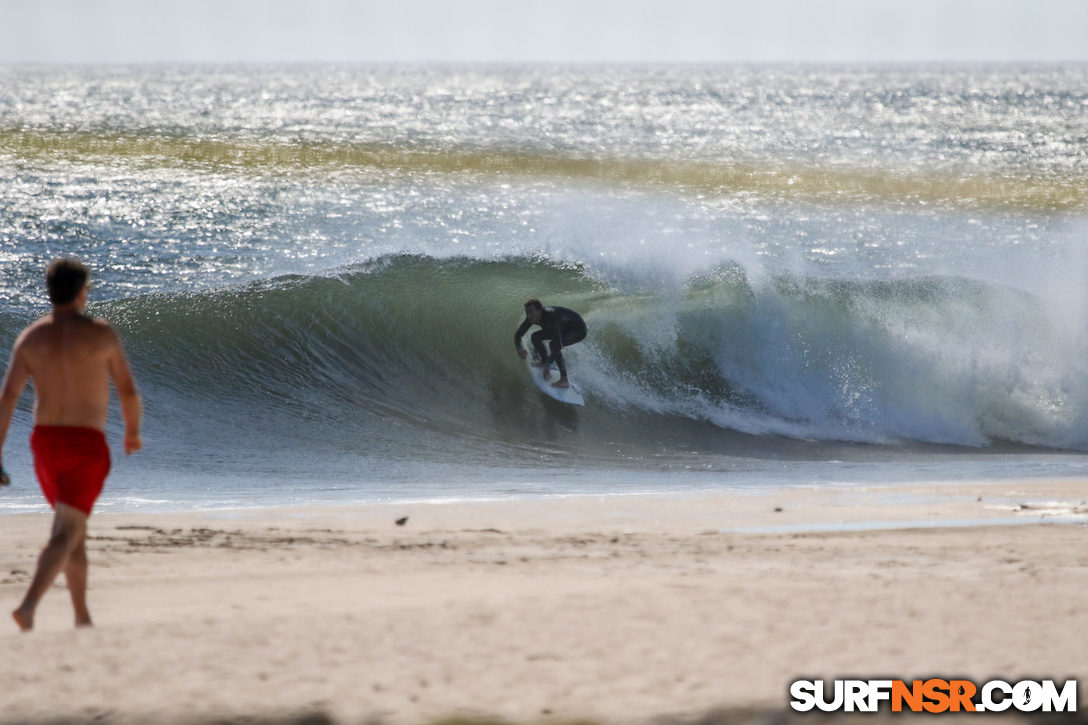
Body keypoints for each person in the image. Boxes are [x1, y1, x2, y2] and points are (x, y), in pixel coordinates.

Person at [0, 258, 143, 632]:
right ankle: (29, 605)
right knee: (66, 532)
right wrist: (132, 432)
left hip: (45, 445)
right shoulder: (101, 334)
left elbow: (8, 399)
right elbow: (127, 390)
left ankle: (82, 618)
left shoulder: (30, 338)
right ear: (83, 292)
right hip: (86, 445)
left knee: (72, 529)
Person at [514, 299, 587, 389]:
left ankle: (564, 380)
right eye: (527, 312)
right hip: (563, 327)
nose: (528, 315)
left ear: (539, 310)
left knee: (554, 345)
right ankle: (543, 360)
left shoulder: (551, 318)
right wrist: (519, 348)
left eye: (531, 312)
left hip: (578, 329)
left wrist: (548, 365)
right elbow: (519, 334)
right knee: (535, 336)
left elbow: (558, 345)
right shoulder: (531, 318)